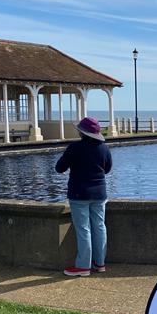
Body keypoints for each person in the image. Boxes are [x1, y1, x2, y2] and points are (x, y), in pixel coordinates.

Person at [55, 117, 112, 277]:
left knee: (83, 229)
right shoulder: (104, 148)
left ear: (82, 132)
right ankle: (99, 263)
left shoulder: (75, 148)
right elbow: (107, 169)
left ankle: (83, 266)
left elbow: (59, 168)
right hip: (100, 193)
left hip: (79, 194)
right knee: (100, 227)